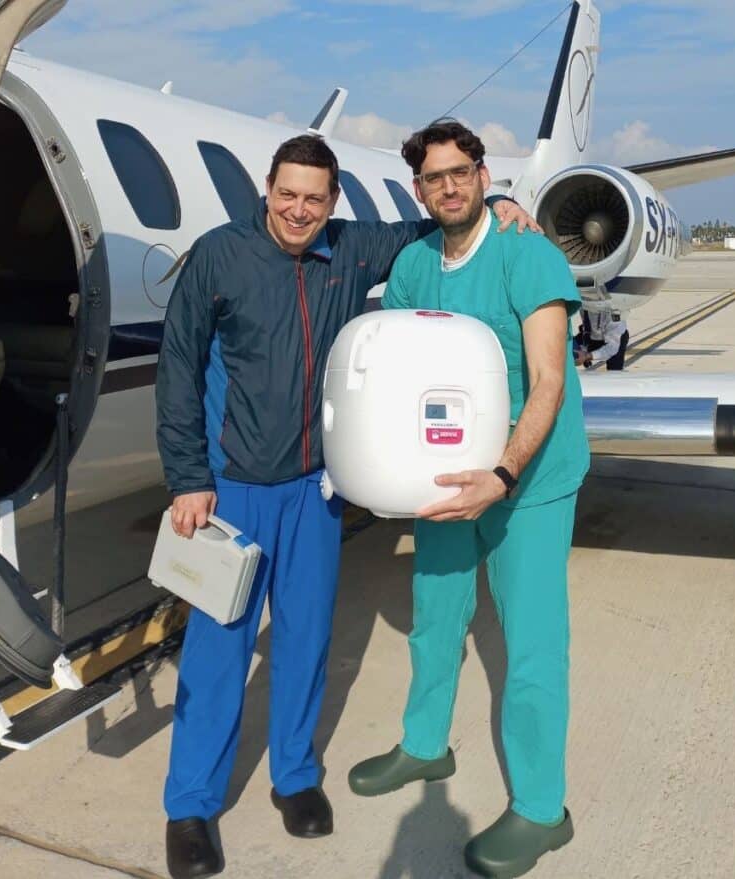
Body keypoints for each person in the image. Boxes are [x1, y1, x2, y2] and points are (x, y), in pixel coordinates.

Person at [154, 133, 539, 879]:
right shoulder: (219, 256)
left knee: (306, 639)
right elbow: (178, 369)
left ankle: (295, 776)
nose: (299, 211)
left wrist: (495, 202)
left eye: (314, 198)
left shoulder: (351, 248)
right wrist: (186, 476)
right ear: (267, 190)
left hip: (314, 489)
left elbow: (431, 222)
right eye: (287, 194)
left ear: (333, 201)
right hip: (232, 488)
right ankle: (191, 805)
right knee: (217, 650)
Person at [347, 120, 589, 879]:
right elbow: (400, 375)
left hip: (528, 483)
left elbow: (548, 381)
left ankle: (543, 810)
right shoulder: (416, 264)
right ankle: (425, 746)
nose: (449, 187)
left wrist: (504, 476)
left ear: (485, 175)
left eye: (461, 172)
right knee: (435, 618)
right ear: (418, 189)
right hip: (448, 479)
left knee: (533, 644)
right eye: (434, 177)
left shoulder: (527, 254)